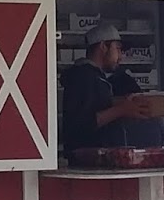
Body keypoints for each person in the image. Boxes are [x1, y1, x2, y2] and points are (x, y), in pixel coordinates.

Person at [60, 23, 154, 152]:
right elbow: (82, 123)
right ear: (103, 46)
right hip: (86, 158)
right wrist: (122, 109)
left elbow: (97, 107)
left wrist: (122, 102)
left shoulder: (94, 76)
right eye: (117, 49)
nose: (120, 57)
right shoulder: (83, 77)